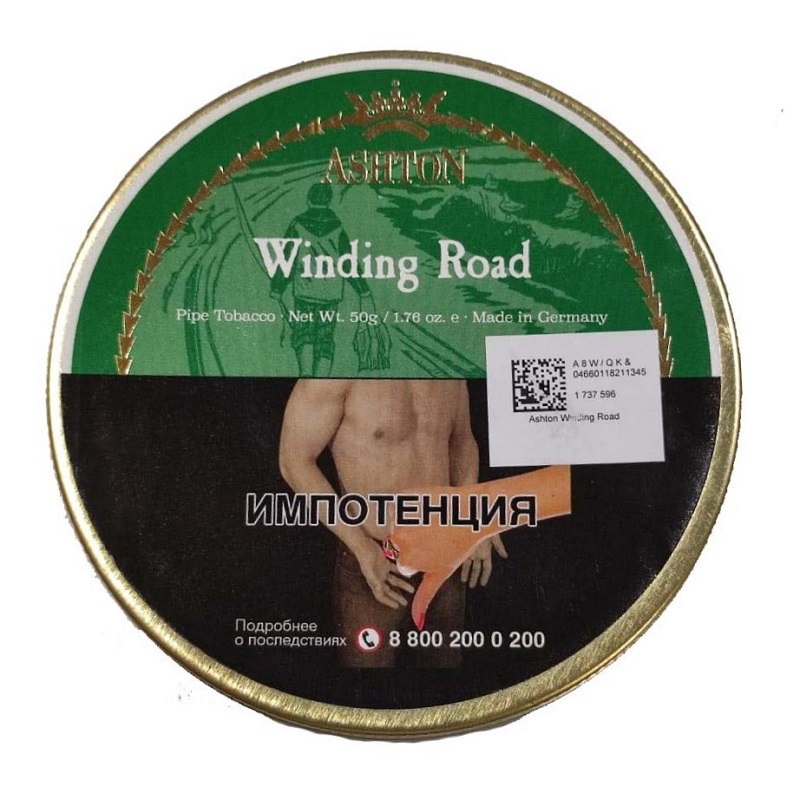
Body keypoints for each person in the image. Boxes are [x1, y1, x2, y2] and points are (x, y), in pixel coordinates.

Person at [279, 378, 506, 667]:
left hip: (445, 561)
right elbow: (294, 460)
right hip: (375, 564)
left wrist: (474, 517)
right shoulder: (337, 370)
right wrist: (361, 548)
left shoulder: (446, 365)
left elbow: (462, 441)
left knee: (446, 686)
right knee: (366, 689)